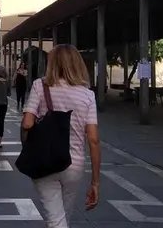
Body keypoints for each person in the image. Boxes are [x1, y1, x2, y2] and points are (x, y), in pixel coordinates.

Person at [22, 44, 100, 227]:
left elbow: (27, 123)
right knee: (63, 217)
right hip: (74, 165)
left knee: (56, 221)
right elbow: (94, 139)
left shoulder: (40, 86)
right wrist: (95, 182)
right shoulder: (88, 95)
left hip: (44, 161)